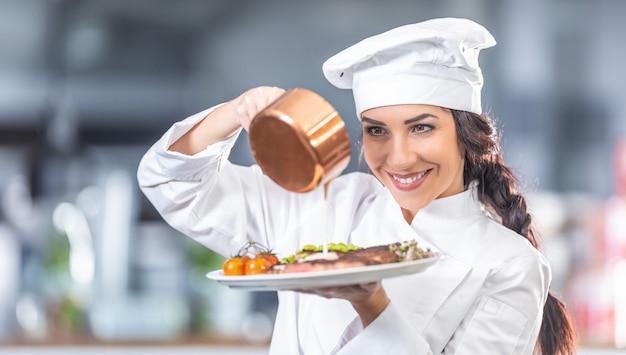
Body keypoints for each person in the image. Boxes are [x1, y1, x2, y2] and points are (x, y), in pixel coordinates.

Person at [137, 18, 576, 354]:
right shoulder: (322, 203)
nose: (399, 157)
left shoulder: (510, 265)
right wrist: (232, 113)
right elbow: (172, 182)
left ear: (466, 134)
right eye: (377, 131)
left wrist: (371, 303)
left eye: (422, 128)